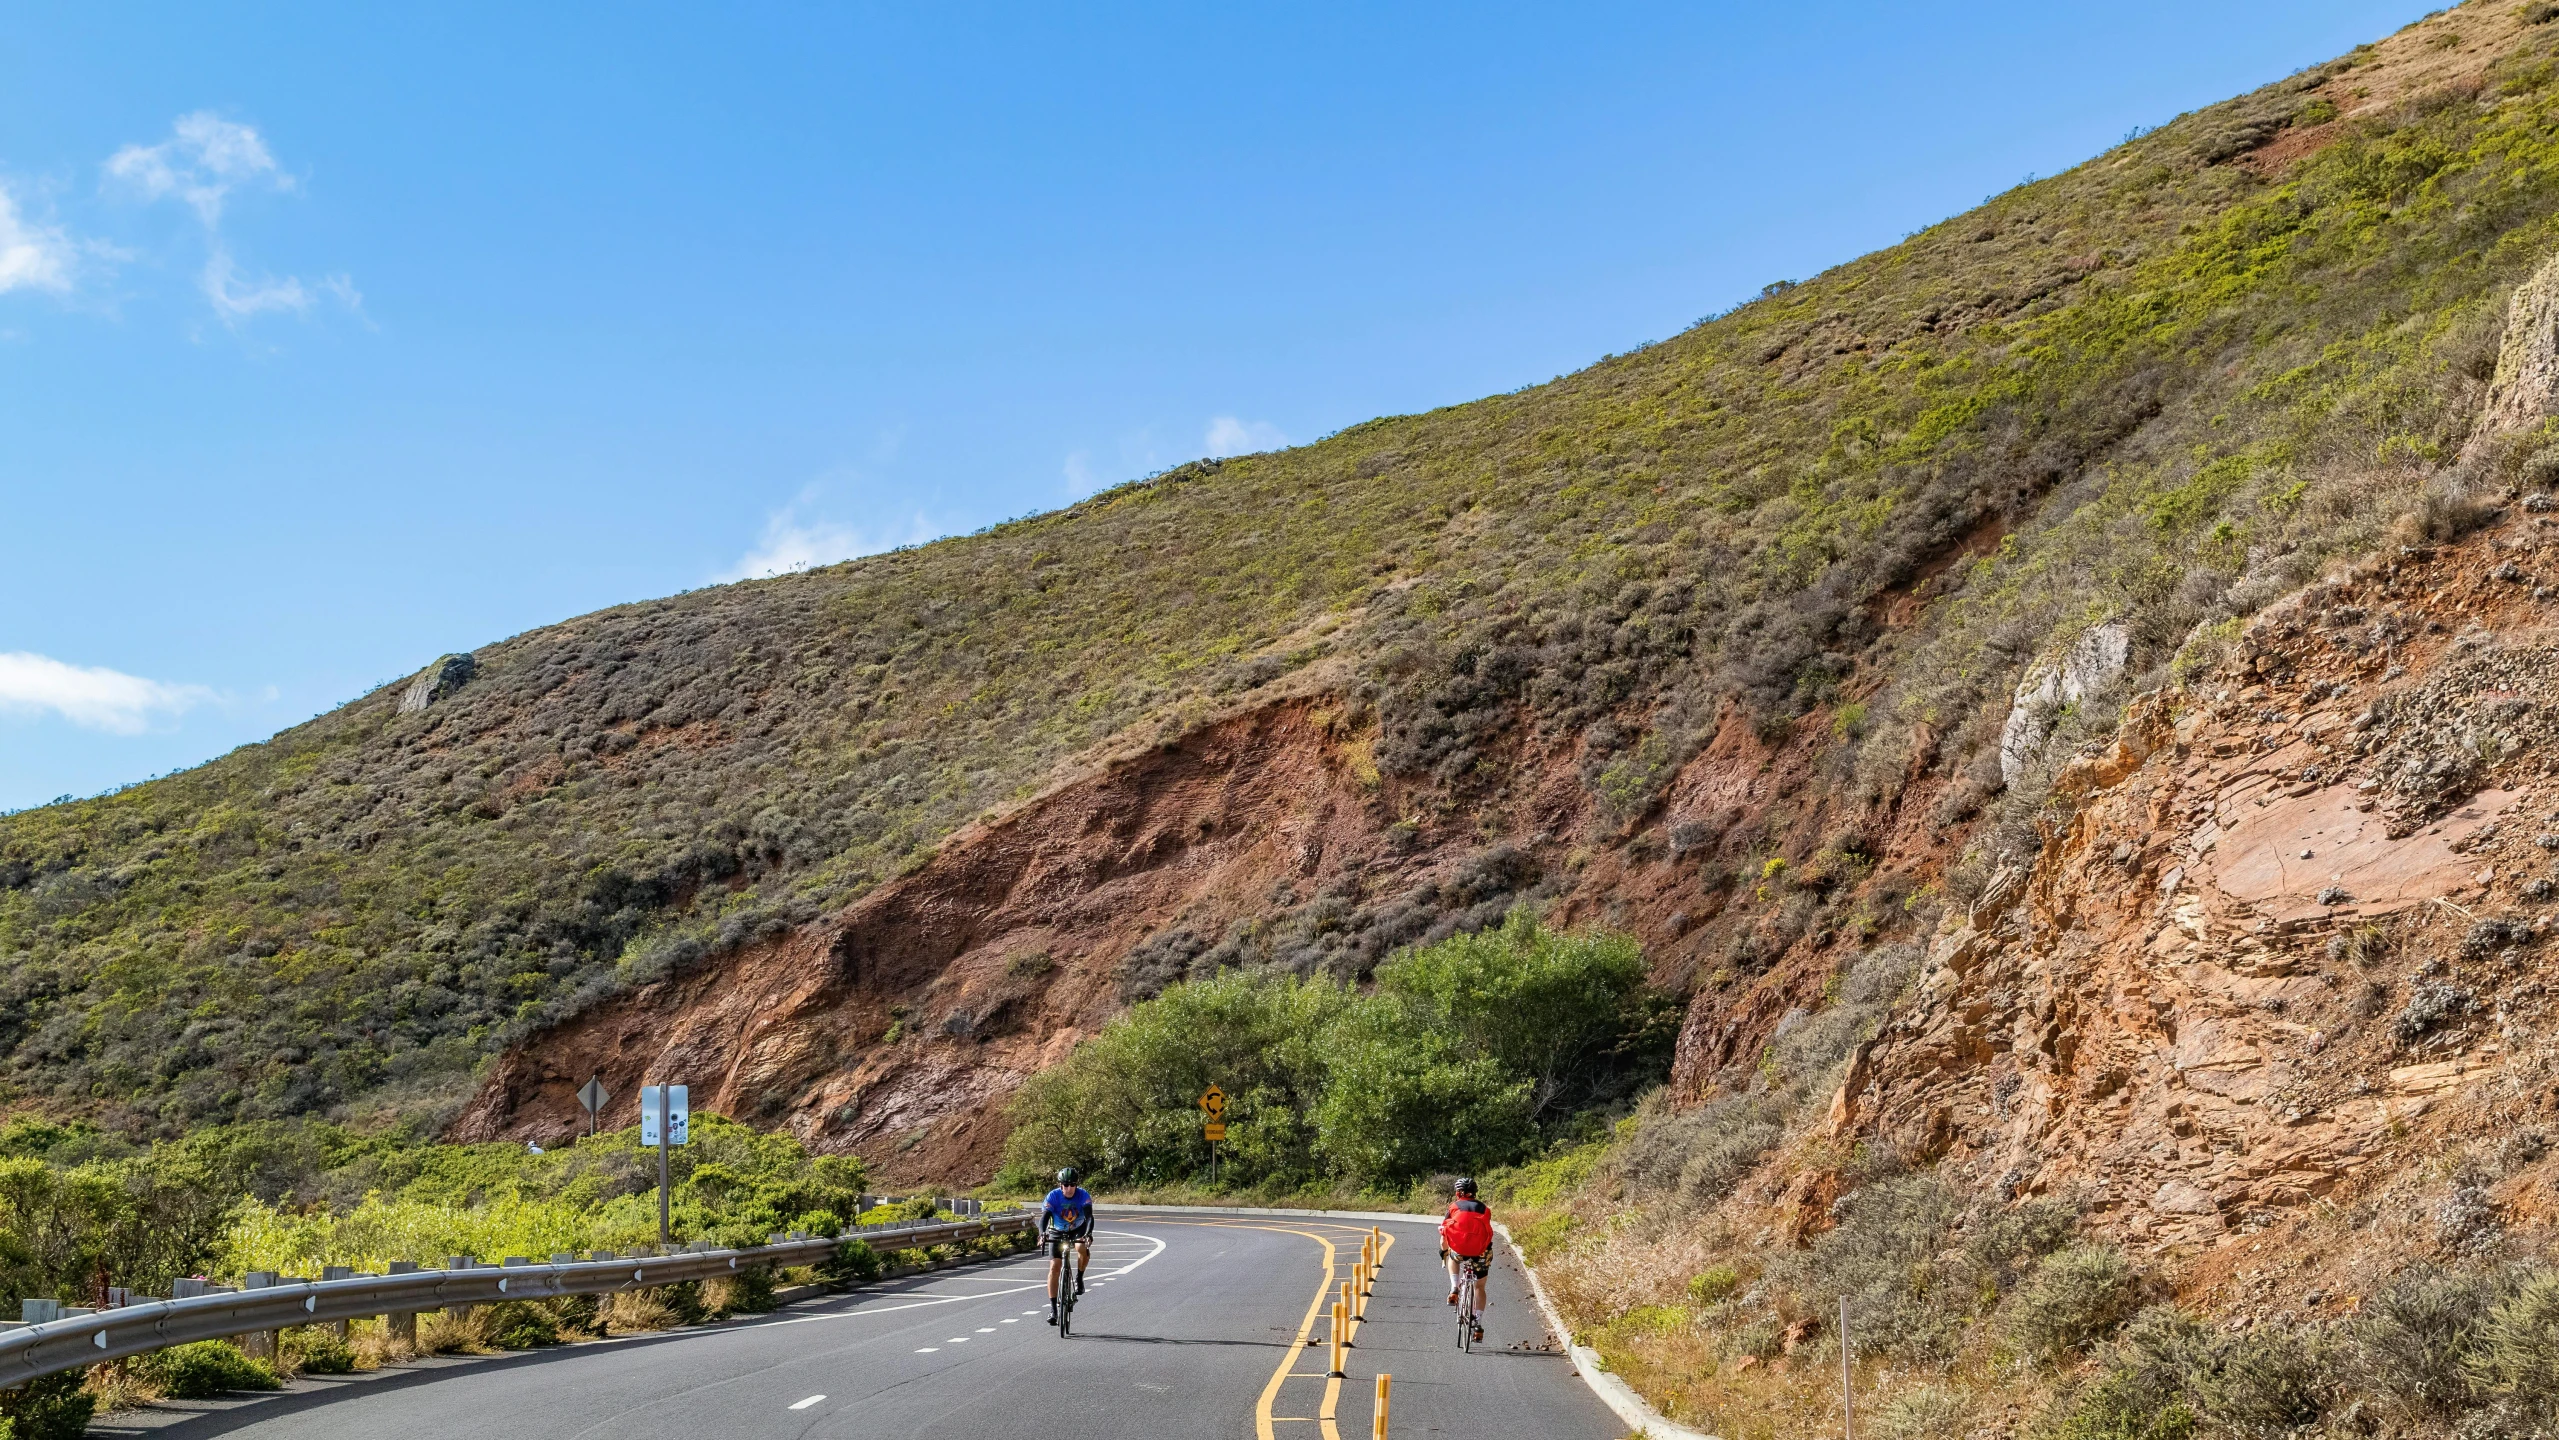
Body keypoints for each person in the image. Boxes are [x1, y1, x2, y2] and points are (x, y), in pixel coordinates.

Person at [1439, 1176, 1493, 1343]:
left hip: (1460, 1250)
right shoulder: (1485, 1208)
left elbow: (1445, 1232)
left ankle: (1454, 1288)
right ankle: (1478, 1323)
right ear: (1475, 1193)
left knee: (1452, 1258)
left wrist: (1444, 1252)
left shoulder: (1453, 1206)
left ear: (1457, 1193)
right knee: (1480, 1287)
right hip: (1481, 1252)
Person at [1042, 1166, 1093, 1325]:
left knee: (1081, 1248)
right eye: (1066, 1185)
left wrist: (1088, 1234)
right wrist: (1042, 1233)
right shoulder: (1053, 1196)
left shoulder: (1083, 1195)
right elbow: (1044, 1218)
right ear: (1060, 1185)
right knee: (1054, 1268)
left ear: (1076, 1185)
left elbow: (1090, 1217)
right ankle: (1053, 1310)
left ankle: (1079, 1277)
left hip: (1078, 1229)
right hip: (1057, 1231)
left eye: (1072, 1184)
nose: (1069, 1188)